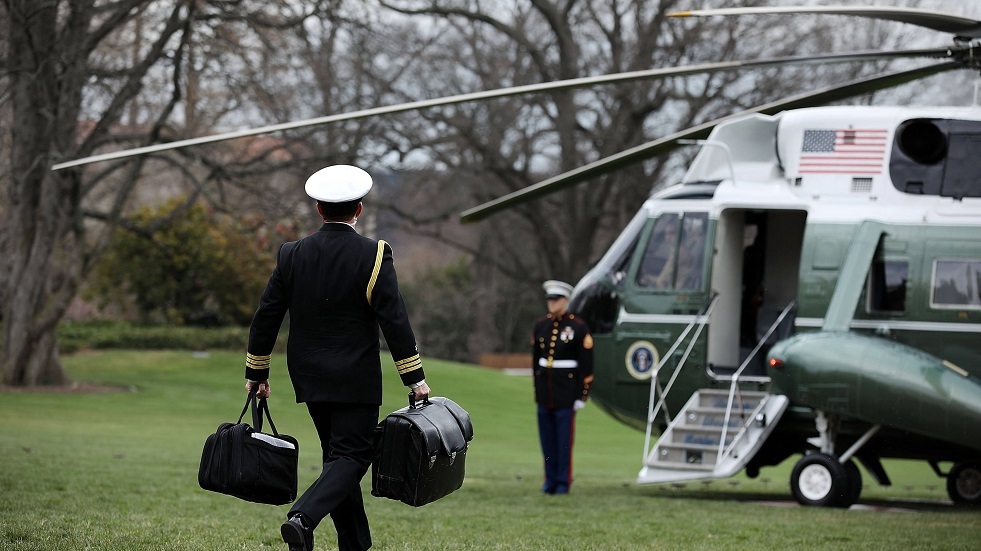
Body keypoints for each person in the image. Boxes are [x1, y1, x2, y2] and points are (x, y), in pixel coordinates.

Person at [244, 164, 430, 551]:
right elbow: (393, 318)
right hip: (355, 377)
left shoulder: (291, 254)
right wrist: (414, 378)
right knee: (353, 456)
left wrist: (257, 371)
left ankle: (355, 543)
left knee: (337, 457)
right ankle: (303, 517)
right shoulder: (375, 254)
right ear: (359, 209)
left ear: (318, 209)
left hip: (308, 375)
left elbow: (267, 316)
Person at [531, 280, 594, 494]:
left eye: (556, 300)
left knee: (564, 443)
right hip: (545, 394)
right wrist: (537, 390)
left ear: (566, 301)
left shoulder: (577, 326)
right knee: (547, 442)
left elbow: (586, 364)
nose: (551, 303)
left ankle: (562, 481)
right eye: (549, 299)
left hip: (566, 395)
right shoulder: (540, 325)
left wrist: (582, 396)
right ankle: (549, 480)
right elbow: (536, 363)